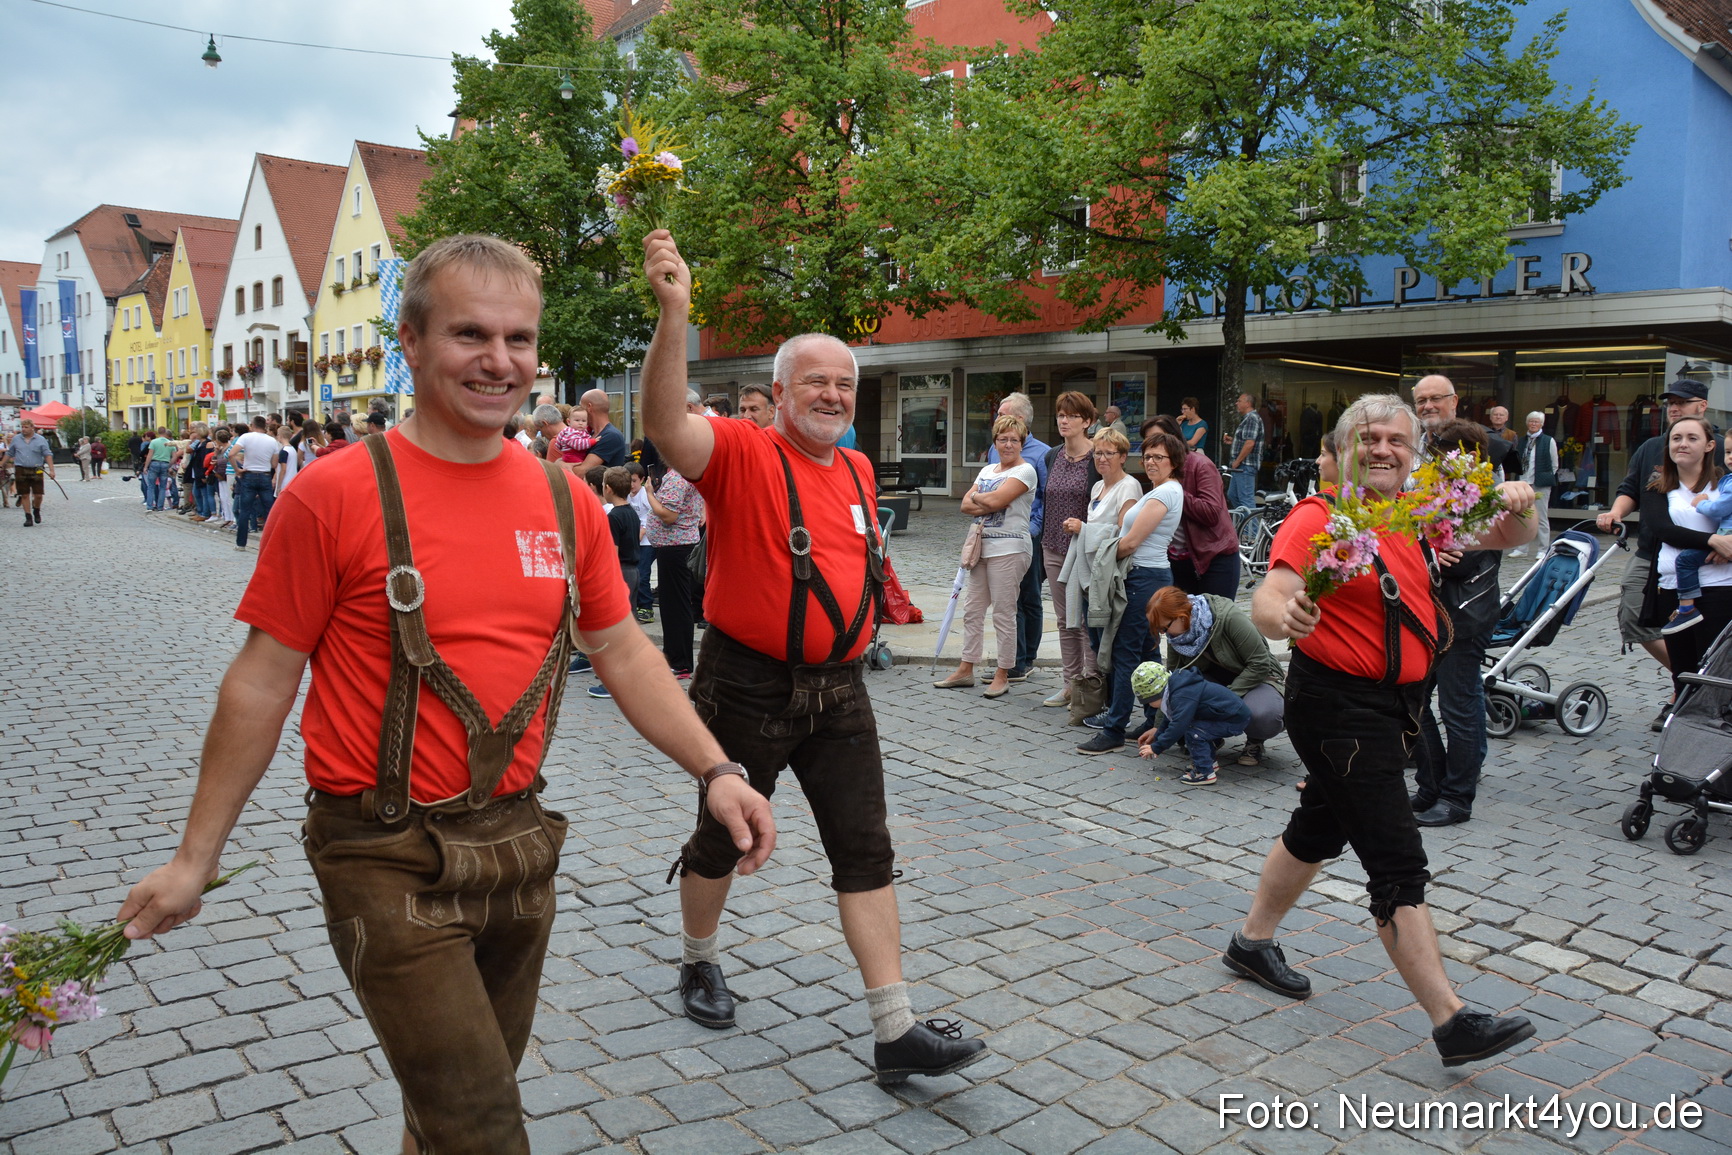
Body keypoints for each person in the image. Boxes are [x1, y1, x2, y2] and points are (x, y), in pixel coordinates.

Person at [116, 233, 773, 1155]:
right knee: (481, 1128)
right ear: (412, 342)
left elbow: (622, 648)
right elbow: (261, 683)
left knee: (453, 1113)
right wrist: (194, 860)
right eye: (471, 333)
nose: (499, 361)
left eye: (518, 338)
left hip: (518, 846)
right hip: (381, 851)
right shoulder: (334, 495)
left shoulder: (565, 501)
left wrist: (715, 767)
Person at [640, 228, 988, 1086]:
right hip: (747, 679)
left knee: (865, 848)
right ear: (778, 393)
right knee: (719, 836)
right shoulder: (744, 451)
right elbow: (663, 425)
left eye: (844, 383)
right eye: (815, 383)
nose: (832, 395)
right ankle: (697, 957)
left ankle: (895, 1028)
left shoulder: (862, 469)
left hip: (839, 690)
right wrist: (676, 313)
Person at [1237, 392, 1537, 1068]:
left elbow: (1512, 537)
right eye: (1369, 438)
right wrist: (1283, 617)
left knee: (1319, 824)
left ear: (1413, 454)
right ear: (1344, 450)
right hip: (1338, 707)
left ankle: (1251, 942)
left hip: (1394, 707)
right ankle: (1450, 1019)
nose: (1383, 450)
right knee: (1397, 860)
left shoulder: (1414, 515)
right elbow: (1271, 591)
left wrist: (1522, 501)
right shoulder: (1321, 515)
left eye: (1397, 441)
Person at [1407, 380, 1508, 829]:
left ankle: (1457, 796)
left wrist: (1427, 547)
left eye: (1445, 453)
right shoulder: (1429, 487)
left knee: (1459, 705)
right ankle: (1432, 784)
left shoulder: (1481, 491)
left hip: (1465, 614)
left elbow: (1467, 557)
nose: (1439, 459)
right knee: (1411, 699)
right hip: (1430, 610)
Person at [1597, 377, 1726, 727]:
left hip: (1713, 570)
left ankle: (1689, 693)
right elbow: (1634, 492)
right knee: (1635, 619)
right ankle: (1691, 684)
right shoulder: (1653, 448)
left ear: (1701, 406)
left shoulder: (1721, 451)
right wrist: (1616, 512)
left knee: (1712, 638)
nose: (1673, 407)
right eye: (1670, 402)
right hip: (1654, 557)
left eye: (1682, 402)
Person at [1078, 432, 1186, 755]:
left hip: (1144, 578)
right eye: (1148, 456)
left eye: (1159, 458)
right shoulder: (1160, 490)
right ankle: (1156, 718)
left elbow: (1131, 542)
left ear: (1174, 462)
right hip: (1145, 577)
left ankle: (1114, 728)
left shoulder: (1166, 493)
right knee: (1147, 652)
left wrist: (1100, 558)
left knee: (1126, 652)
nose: (1151, 462)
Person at [936, 415, 1037, 698]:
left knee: (1004, 613)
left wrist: (983, 499)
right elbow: (964, 507)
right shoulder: (987, 470)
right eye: (1003, 439)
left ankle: (1003, 673)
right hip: (983, 548)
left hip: (1011, 549)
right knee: (972, 610)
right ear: (995, 443)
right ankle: (966, 668)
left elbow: (991, 501)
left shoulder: (1025, 471)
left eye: (1014, 440)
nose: (1008, 445)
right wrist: (986, 500)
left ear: (1022, 443)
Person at [1641, 418, 1732, 689]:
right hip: (1673, 589)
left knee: (1715, 671)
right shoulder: (1658, 488)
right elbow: (1665, 531)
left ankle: (1712, 726)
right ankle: (1681, 724)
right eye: (1676, 438)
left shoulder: (1724, 484)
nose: (1682, 444)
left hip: (1720, 588)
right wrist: (1716, 541)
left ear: (1709, 445)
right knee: (1682, 671)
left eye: (1692, 438)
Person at [1146, 585, 1284, 766]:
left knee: (1263, 715)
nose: (1164, 635)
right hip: (1216, 682)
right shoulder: (1177, 636)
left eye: (1164, 628)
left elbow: (1259, 664)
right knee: (1185, 698)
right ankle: (1209, 737)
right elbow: (1171, 682)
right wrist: (1158, 726)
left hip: (1258, 679)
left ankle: (1255, 741)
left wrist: (1227, 698)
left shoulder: (1229, 617)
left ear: (1181, 617)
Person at [1036, 391, 1100, 708]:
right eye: (1061, 414)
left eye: (1072, 415)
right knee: (1064, 620)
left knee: (1086, 619)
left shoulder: (1097, 458)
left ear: (1087, 421)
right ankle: (1068, 684)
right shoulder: (1052, 456)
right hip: (1053, 546)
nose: (1064, 420)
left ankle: (1090, 684)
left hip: (1084, 549)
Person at [985, 392, 1049, 680]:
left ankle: (1024, 660)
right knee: (1007, 600)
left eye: (1001, 413)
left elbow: (1047, 499)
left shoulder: (1043, 454)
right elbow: (983, 489)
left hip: (1027, 536)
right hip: (996, 536)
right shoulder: (993, 448)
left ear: (1019, 419)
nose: (997, 418)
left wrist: (1033, 530)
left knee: (1028, 598)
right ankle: (1013, 658)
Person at [1148, 414, 1239, 597]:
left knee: (1213, 621)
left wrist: (1173, 490)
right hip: (1178, 560)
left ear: (1175, 438)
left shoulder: (1200, 464)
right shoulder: (1157, 470)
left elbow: (1211, 512)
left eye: (1159, 438)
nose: (1153, 445)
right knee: (1181, 622)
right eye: (1149, 440)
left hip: (1215, 556)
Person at [1132, 660, 1250, 785]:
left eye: (1148, 701)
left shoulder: (1181, 695)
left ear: (1155, 694)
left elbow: (1178, 725)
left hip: (1233, 719)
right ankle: (1207, 762)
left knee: (1193, 730)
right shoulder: (1175, 689)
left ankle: (1204, 772)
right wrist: (1157, 737)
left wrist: (1157, 747)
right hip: (1224, 716)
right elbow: (1169, 719)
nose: (1150, 705)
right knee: (1195, 727)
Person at [1661, 428, 1732, 636]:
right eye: (1728, 452)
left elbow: (1719, 509)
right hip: (1722, 541)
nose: (1730, 458)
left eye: (1692, 438)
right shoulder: (1726, 479)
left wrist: (1701, 504)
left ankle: (1686, 608)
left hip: (1721, 581)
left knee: (1685, 560)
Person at [643, 460, 703, 677]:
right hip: (672, 547)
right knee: (670, 605)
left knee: (675, 606)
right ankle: (674, 657)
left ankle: (681, 662)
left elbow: (669, 515)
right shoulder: (680, 474)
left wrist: (649, 493)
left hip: (676, 547)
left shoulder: (679, 478)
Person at [1509, 411, 1558, 558]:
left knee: (1542, 517)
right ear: (1527, 423)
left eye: (1536, 422)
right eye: (1531, 421)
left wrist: (1544, 477)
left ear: (1541, 424)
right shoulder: (1522, 441)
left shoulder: (1548, 441)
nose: (1533, 424)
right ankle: (1521, 548)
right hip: (1524, 482)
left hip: (1541, 483)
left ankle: (1543, 550)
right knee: (1522, 515)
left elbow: (1554, 465)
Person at [232, 416, 280, 550]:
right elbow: (274, 464)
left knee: (245, 510)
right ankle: (272, 543)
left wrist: (237, 469)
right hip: (265, 475)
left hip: (249, 475)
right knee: (269, 511)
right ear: (264, 425)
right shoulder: (272, 441)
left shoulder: (246, 437)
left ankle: (241, 544)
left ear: (252, 425)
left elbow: (231, 454)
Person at [6, 418, 55, 526]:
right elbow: (10, 453)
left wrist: (51, 470)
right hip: (20, 468)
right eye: (22, 427)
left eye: (26, 427)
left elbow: (47, 454)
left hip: (37, 468)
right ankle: (28, 517)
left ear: (32, 428)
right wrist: (2, 464)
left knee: (38, 494)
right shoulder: (16, 439)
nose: (23, 429)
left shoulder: (41, 439)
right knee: (24, 494)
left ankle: (36, 509)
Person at [574, 389, 629, 482]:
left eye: (580, 407)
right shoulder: (591, 433)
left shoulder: (611, 436)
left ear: (589, 407)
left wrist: (560, 464)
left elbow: (580, 473)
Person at [1226, 392, 1263, 511]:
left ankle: (1252, 529)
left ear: (1247, 403)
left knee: (1246, 499)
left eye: (1239, 401)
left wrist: (1237, 461)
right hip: (1241, 466)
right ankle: (1245, 524)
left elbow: (1250, 443)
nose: (1236, 403)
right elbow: (1247, 441)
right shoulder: (1248, 418)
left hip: (1245, 466)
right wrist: (1234, 441)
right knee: (1233, 495)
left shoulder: (1251, 418)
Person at [143, 426, 174, 512]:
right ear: (165, 432)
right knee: (163, 487)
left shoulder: (153, 442)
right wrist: (169, 464)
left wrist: (146, 466)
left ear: (158, 432)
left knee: (151, 486)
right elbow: (174, 456)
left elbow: (149, 455)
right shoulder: (170, 443)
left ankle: (150, 506)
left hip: (154, 463)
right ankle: (160, 506)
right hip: (165, 463)